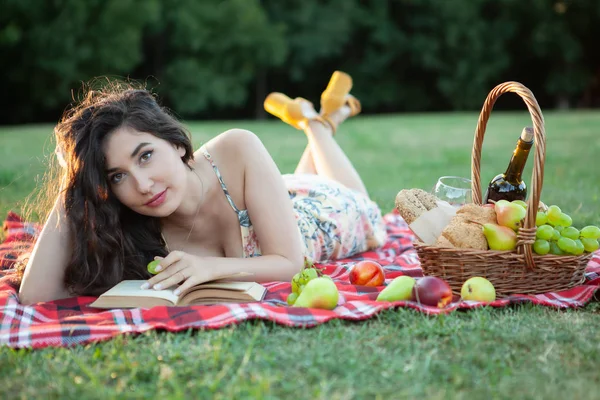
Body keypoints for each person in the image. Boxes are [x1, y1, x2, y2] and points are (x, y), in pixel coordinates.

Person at [17, 74, 387, 305]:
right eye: (116, 176)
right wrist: (73, 181)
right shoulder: (132, 232)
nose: (143, 186)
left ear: (176, 143)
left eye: (145, 156)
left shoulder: (236, 148)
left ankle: (314, 122)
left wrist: (206, 267)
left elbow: (290, 264)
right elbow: (35, 295)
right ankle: (321, 119)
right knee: (292, 182)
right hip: (274, 198)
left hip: (320, 215)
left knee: (358, 201)